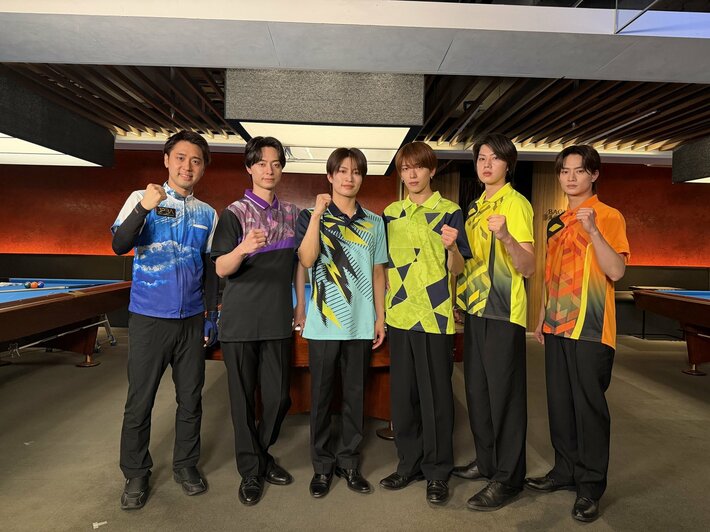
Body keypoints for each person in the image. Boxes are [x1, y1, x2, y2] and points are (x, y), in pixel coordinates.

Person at [112, 130, 219, 510]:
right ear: (167, 160)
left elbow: (209, 268)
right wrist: (144, 207)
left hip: (191, 321)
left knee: (190, 400)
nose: (187, 166)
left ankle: (186, 465)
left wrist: (211, 314)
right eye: (181, 158)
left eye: (196, 160)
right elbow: (119, 245)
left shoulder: (208, 213)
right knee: (139, 401)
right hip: (148, 318)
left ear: (203, 168)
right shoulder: (140, 198)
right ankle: (135, 473)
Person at [526, 145, 629, 523]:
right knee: (559, 404)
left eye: (579, 171)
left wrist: (593, 230)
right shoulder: (555, 222)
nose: (570, 178)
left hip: (591, 329)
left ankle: (590, 487)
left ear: (594, 174)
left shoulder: (609, 216)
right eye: (564, 171)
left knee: (589, 410)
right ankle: (564, 470)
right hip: (556, 326)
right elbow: (550, 274)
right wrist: (542, 314)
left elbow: (616, 271)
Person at [211, 136, 303, 506]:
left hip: (277, 319)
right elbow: (221, 268)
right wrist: (243, 248)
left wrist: (301, 306)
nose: (269, 170)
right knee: (242, 399)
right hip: (239, 321)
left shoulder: (293, 214)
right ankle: (251, 471)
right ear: (249, 167)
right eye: (262, 163)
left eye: (276, 163)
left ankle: (261, 455)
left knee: (279, 397)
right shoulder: (233, 213)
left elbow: (302, 262)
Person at [379, 141, 471, 505]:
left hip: (435, 317)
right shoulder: (391, 213)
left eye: (418, 167)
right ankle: (409, 464)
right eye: (405, 168)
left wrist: (452, 248)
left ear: (432, 170)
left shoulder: (450, 211)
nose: (412, 174)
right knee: (403, 397)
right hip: (400, 315)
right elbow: (383, 266)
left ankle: (437, 471)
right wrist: (381, 314)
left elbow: (458, 268)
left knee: (436, 399)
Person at [295, 148, 387, 498]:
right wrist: (318, 215)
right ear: (330, 176)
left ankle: (349, 463)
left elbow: (378, 272)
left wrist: (380, 318)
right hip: (323, 324)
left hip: (360, 324)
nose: (350, 177)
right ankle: (321, 467)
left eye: (356, 172)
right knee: (320, 397)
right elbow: (306, 259)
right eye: (343, 171)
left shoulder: (374, 221)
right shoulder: (310, 215)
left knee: (354, 397)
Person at [452, 133, 535, 511]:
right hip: (475, 311)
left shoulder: (516, 204)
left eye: (495, 158)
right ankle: (486, 462)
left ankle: (509, 478)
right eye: (481, 158)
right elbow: (469, 263)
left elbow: (528, 266)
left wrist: (505, 236)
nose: (487, 165)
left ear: (508, 165)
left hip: (503, 312)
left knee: (505, 397)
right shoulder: (474, 207)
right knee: (478, 392)